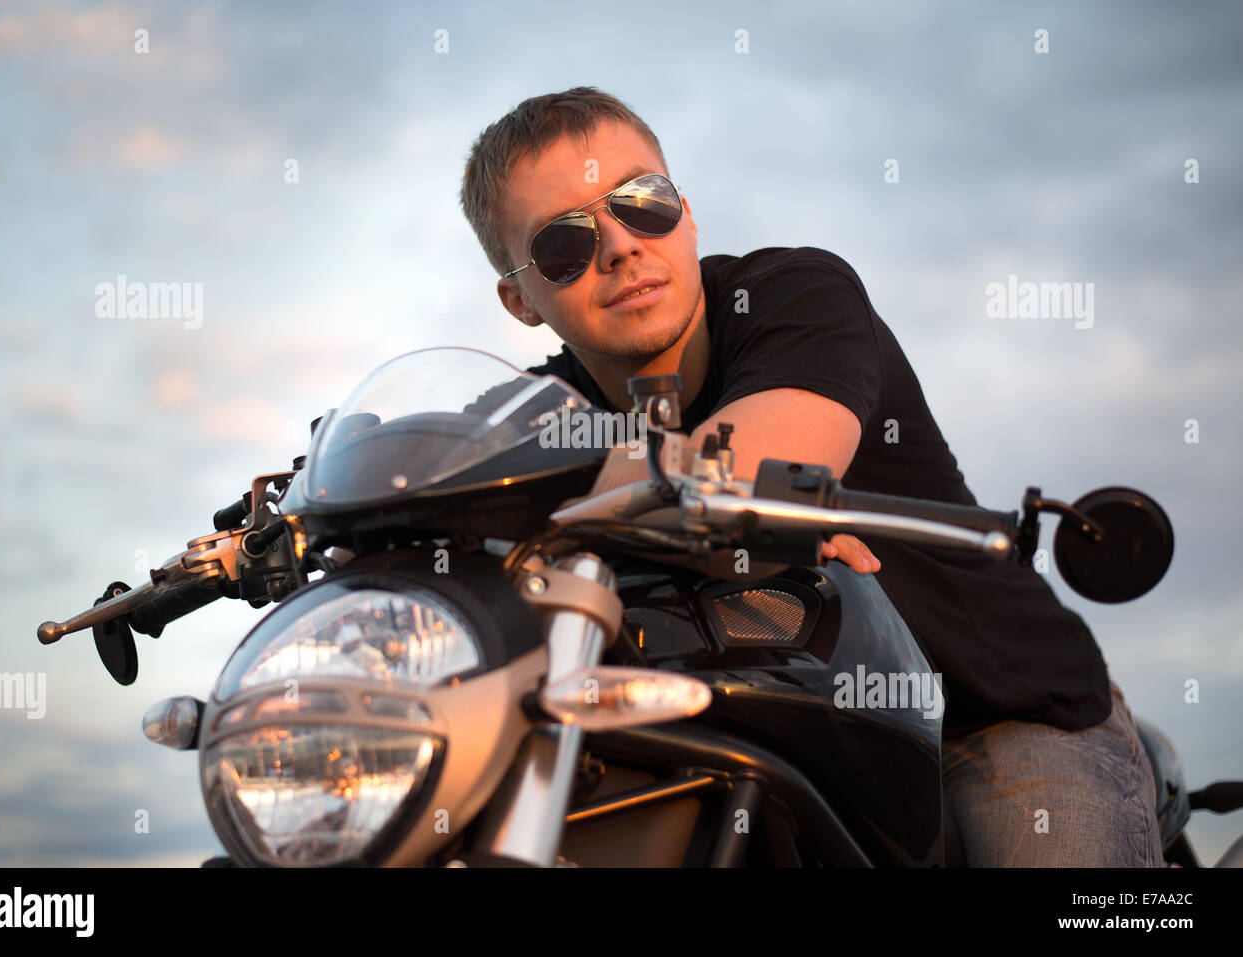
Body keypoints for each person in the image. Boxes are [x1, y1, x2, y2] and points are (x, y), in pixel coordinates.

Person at [459, 86, 1164, 867]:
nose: (621, 244)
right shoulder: (530, 410)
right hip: (753, 721)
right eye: (564, 243)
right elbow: (430, 488)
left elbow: (745, 473)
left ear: (686, 213)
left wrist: (572, 492)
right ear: (519, 299)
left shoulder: (794, 296)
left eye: (641, 202)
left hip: (992, 716)